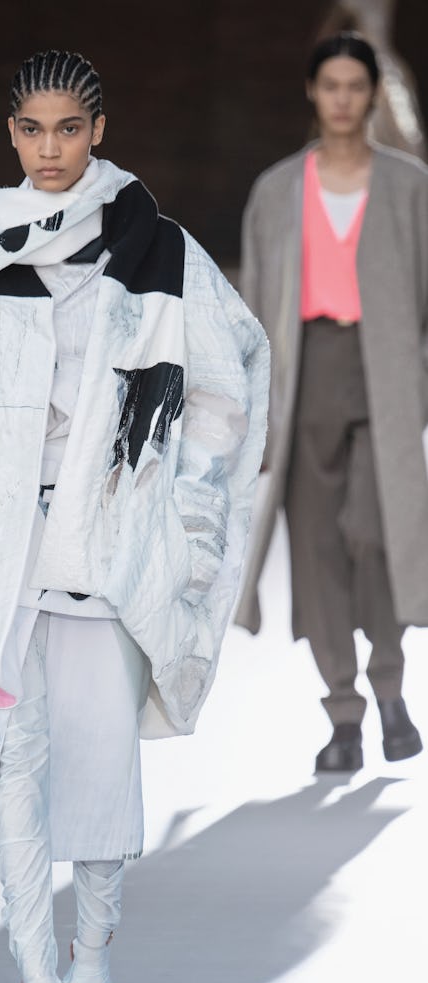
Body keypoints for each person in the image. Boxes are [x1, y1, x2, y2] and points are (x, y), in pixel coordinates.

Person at [0, 49, 269, 983]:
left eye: (69, 129)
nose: (49, 148)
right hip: (0, 535)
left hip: (112, 534)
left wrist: (187, 504)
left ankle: (93, 958)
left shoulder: (158, 247)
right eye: (31, 129)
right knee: (16, 757)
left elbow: (229, 381)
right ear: (10, 133)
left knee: (100, 761)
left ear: (98, 132)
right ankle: (34, 968)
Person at [234, 30, 428, 774]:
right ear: (313, 94)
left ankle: (390, 687)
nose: (344, 99)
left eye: (356, 86)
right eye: (331, 86)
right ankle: (344, 714)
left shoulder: (410, 186)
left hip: (388, 376)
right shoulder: (278, 190)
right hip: (304, 372)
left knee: (378, 537)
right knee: (315, 551)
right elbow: (254, 307)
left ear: (373, 93)